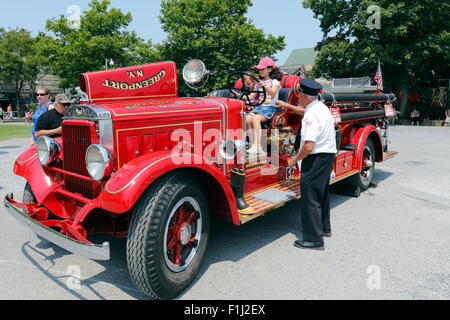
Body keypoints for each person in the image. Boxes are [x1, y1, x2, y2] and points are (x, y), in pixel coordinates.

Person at [287, 78, 337, 250]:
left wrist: (294, 159)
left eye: (299, 94)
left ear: (303, 95)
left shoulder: (311, 114)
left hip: (315, 158)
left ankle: (314, 239)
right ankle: (324, 228)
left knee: (311, 199)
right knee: (321, 195)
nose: (298, 97)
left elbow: (309, 145)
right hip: (327, 156)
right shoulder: (321, 108)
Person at [246, 57, 282, 155]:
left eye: (262, 69)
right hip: (260, 107)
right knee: (248, 118)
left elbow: (273, 93)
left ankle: (258, 146)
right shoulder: (259, 83)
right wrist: (239, 96)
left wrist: (265, 87)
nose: (260, 71)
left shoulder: (274, 81)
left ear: (269, 69)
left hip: (270, 107)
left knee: (256, 119)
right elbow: (252, 97)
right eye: (259, 69)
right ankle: (253, 145)